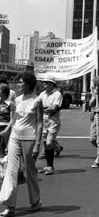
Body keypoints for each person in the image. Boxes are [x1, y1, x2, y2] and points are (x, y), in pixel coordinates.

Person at [0, 72, 43, 216]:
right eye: (18, 82)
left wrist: (37, 144)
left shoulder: (37, 100)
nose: (18, 84)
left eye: (21, 82)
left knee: (30, 171)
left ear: (29, 84)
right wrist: (7, 131)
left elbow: (40, 123)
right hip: (14, 137)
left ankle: (35, 201)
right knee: (10, 170)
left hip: (29, 138)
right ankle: (9, 206)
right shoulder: (16, 100)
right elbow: (14, 119)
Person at [37, 75, 63, 175]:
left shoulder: (57, 94)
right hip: (43, 121)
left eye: (46, 82)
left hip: (53, 121)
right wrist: (46, 109)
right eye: (44, 82)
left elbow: (54, 108)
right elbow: (37, 107)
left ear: (52, 84)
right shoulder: (42, 94)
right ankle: (48, 166)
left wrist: (43, 109)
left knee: (48, 143)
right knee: (45, 143)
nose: (44, 84)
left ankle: (51, 166)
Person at [0, 84, 13, 156]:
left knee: (5, 149)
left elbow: (13, 119)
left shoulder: (11, 103)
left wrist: (6, 130)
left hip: (5, 127)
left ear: (4, 92)